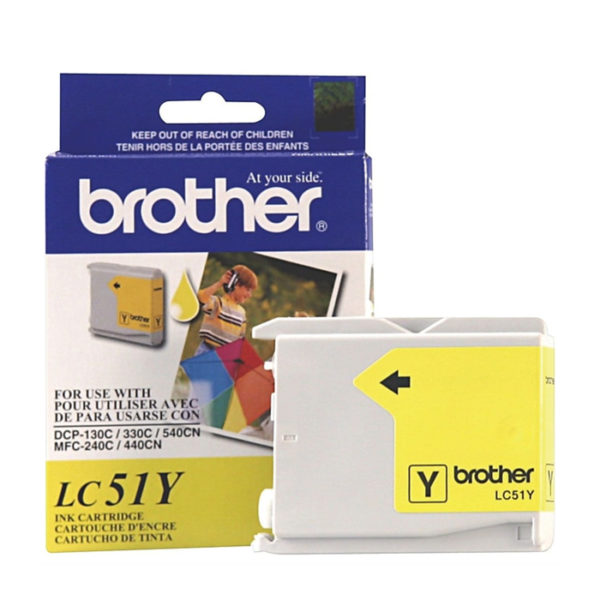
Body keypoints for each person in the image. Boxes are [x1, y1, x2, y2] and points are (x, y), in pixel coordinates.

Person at [194, 265, 258, 355]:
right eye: (248, 290)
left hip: (224, 356)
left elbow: (240, 340)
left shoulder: (242, 313)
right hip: (206, 352)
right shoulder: (218, 303)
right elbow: (201, 297)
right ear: (236, 284)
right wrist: (219, 284)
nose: (249, 295)